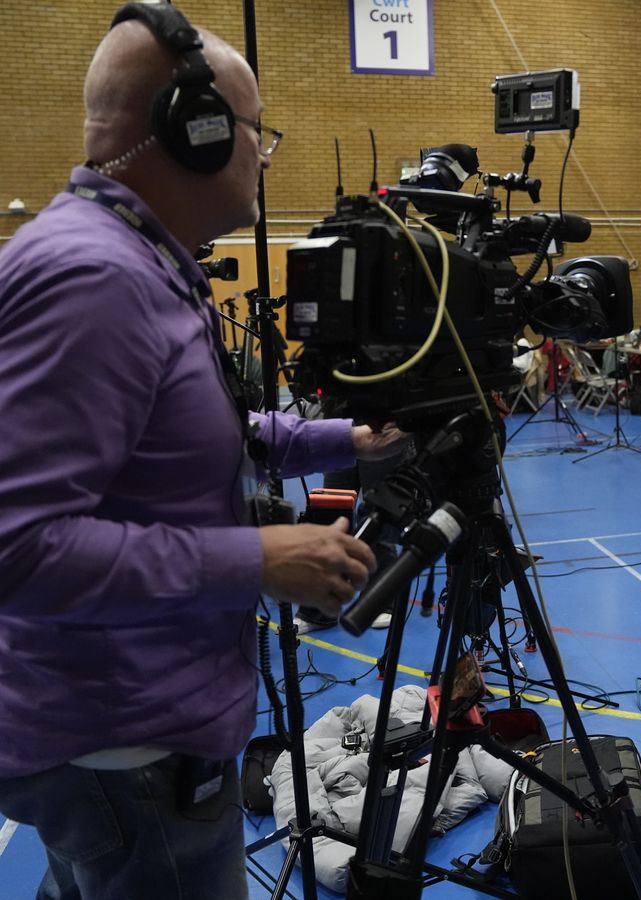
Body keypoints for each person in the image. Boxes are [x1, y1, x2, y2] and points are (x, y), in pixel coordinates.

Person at [0, 7, 407, 898]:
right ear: (196, 130)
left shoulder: (140, 261)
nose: (266, 153)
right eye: (259, 131)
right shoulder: (94, 278)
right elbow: (16, 548)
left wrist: (347, 438)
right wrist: (252, 557)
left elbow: (194, 432)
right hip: (126, 755)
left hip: (123, 740)